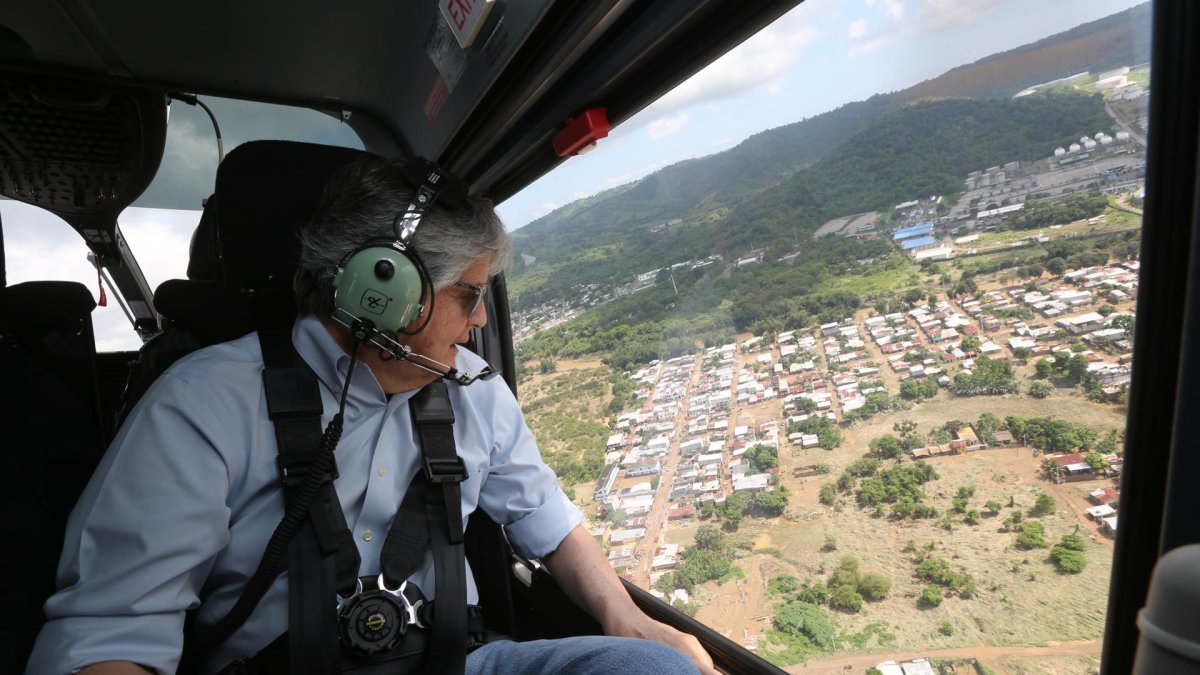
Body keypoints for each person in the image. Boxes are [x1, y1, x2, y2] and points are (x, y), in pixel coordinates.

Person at [26, 156, 715, 674]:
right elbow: (113, 633)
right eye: (469, 294)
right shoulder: (202, 405)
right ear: (382, 290)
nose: (480, 322)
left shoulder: (476, 391)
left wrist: (624, 614)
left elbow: (550, 522)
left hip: (454, 661)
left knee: (656, 668)